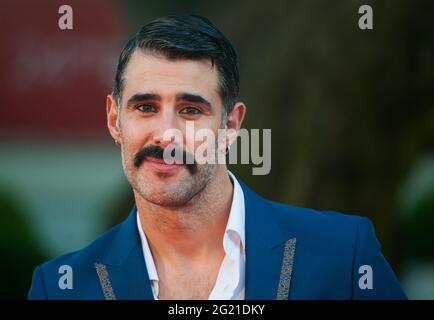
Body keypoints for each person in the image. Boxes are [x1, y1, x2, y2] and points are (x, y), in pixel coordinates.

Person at [28, 14, 407, 300]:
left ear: (231, 125)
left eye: (191, 110)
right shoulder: (61, 287)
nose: (167, 134)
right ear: (114, 120)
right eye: (145, 107)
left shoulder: (343, 253)